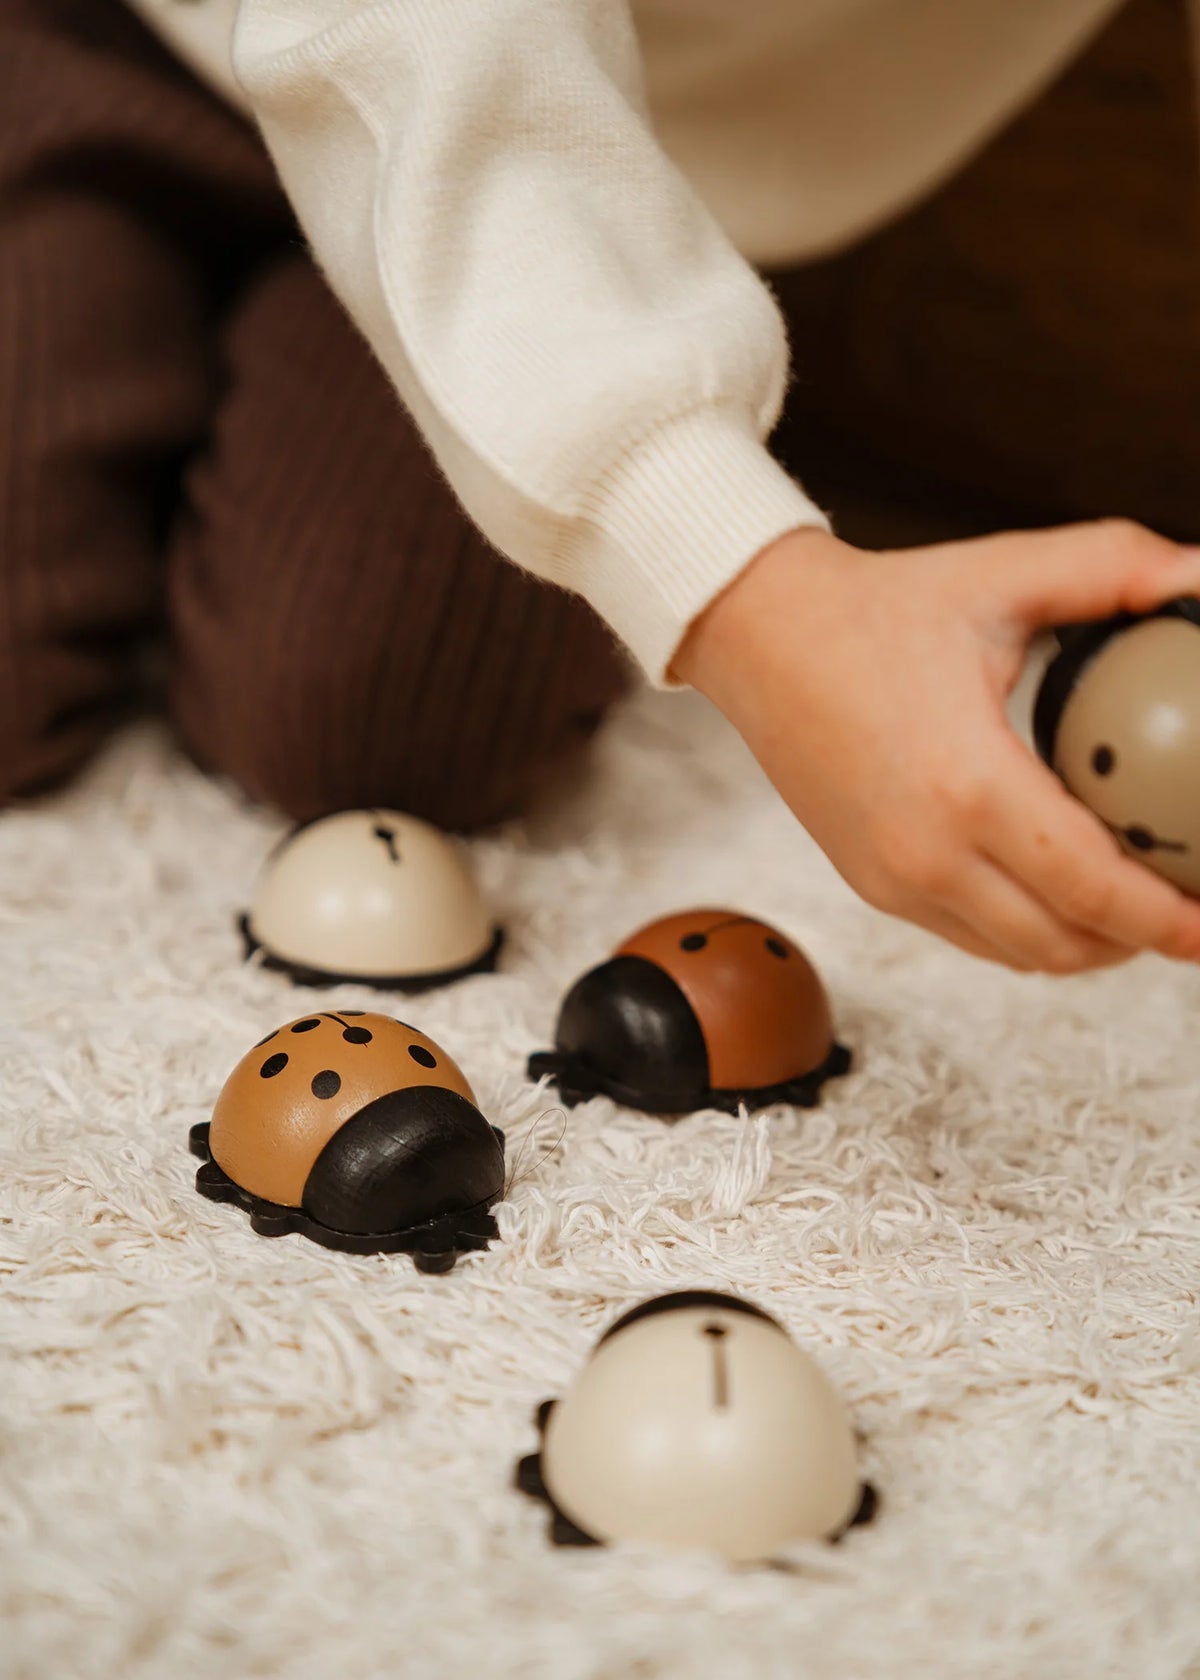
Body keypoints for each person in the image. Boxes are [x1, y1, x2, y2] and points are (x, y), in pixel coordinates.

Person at [3, 0, 1200, 976]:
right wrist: (760, 603)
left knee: (391, 714)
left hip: (592, 134)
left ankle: (349, 281)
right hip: (146, 33)